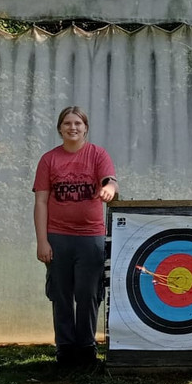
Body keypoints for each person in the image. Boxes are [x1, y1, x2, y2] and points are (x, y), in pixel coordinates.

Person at [33, 105, 118, 368]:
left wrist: (109, 189)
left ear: (85, 128)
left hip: (91, 237)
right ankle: (65, 348)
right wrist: (42, 241)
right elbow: (41, 202)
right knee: (60, 294)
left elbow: (110, 181)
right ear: (60, 128)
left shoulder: (97, 154)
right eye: (68, 123)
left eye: (78, 124)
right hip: (57, 237)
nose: (73, 128)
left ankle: (86, 347)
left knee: (88, 293)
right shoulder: (49, 160)